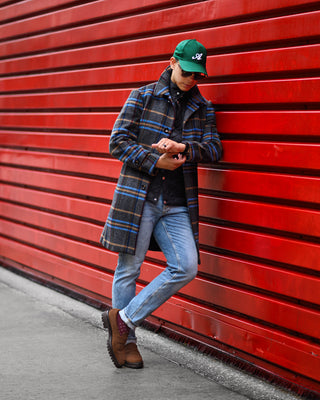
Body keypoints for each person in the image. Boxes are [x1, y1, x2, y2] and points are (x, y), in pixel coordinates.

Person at [100, 39, 222, 369]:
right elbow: (117, 142)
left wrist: (184, 147)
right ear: (172, 63)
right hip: (140, 197)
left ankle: (123, 320)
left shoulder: (203, 107)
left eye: (198, 75)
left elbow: (214, 149)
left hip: (177, 201)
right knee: (129, 270)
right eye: (187, 72)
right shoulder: (142, 96)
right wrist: (156, 160)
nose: (191, 80)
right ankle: (127, 344)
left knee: (186, 266)